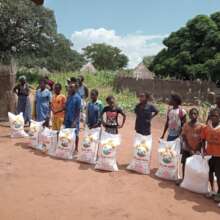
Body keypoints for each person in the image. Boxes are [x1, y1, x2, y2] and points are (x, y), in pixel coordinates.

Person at [201, 108, 220, 203]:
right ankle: (212, 189)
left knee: (218, 174)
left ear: (219, 117)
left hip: (219, 156)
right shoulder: (206, 128)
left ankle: (219, 193)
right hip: (209, 154)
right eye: (212, 116)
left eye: (216, 116)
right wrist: (203, 149)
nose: (214, 118)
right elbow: (203, 139)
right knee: (209, 172)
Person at [181, 108, 204, 178]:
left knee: (195, 166)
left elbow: (202, 139)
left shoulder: (202, 126)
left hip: (197, 150)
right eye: (191, 114)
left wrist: (197, 149)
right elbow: (184, 137)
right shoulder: (186, 125)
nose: (193, 115)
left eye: (195, 114)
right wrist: (189, 148)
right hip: (187, 149)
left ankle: (193, 180)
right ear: (189, 115)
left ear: (198, 115)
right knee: (185, 164)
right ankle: (184, 179)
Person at [64, 83, 81, 152]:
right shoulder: (68, 96)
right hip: (67, 118)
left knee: (76, 134)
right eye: (69, 87)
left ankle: (76, 148)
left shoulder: (78, 98)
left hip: (74, 119)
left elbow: (78, 111)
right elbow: (66, 108)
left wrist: (75, 121)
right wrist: (65, 118)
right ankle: (67, 146)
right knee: (67, 133)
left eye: (71, 87)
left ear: (75, 88)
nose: (70, 88)